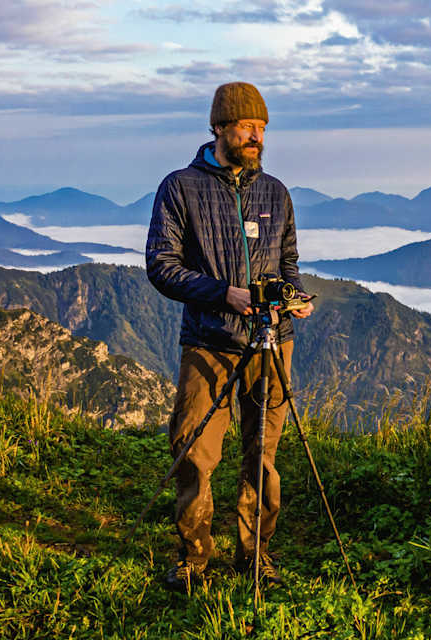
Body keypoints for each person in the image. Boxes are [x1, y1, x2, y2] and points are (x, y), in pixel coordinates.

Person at [145, 81, 313, 592]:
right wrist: (225, 295)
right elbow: (161, 266)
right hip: (209, 339)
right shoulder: (180, 188)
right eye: (246, 126)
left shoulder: (275, 192)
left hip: (272, 338)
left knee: (262, 453)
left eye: (262, 128)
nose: (256, 136)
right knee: (195, 450)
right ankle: (193, 557)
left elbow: (288, 261)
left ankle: (255, 554)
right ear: (218, 127)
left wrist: (293, 296)